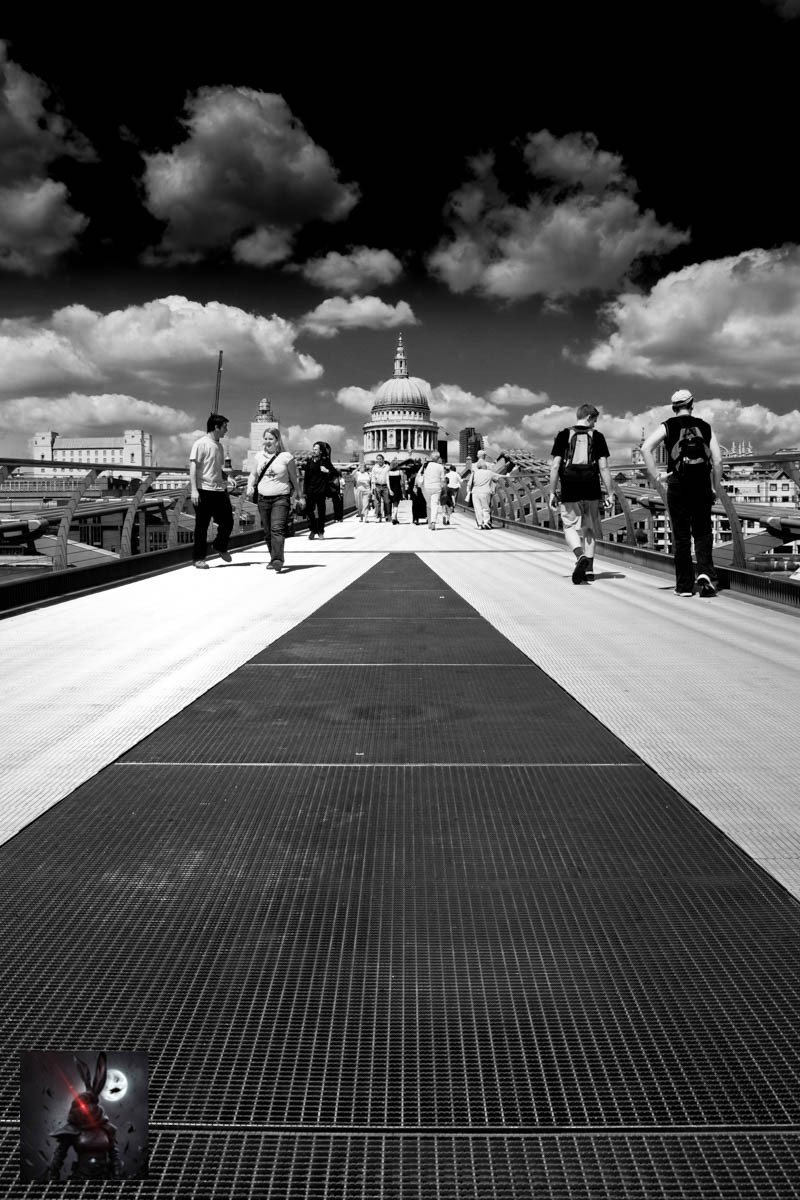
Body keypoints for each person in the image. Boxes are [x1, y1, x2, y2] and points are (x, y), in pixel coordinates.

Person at [641, 388, 723, 597]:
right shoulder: (704, 426)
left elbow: (646, 448)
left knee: (681, 535)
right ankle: (705, 573)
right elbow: (718, 460)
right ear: (692, 404)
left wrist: (656, 475)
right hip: (702, 484)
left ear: (673, 407)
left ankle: (684, 586)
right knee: (703, 532)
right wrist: (714, 486)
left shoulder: (668, 425)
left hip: (677, 484)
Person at [548, 404, 615, 583]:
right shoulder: (598, 436)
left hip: (570, 486)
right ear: (590, 418)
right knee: (589, 528)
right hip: (591, 487)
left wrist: (552, 492)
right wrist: (610, 493)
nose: (595, 424)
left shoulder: (563, 435)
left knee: (570, 527)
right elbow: (604, 467)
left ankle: (579, 556)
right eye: (595, 420)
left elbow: (555, 466)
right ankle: (590, 570)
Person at [246, 425, 298, 574]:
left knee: (277, 529)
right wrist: (250, 486)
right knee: (268, 531)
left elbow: (294, 478)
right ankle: (273, 557)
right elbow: (253, 475)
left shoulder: (286, 457)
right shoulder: (259, 456)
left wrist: (299, 496)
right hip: (263, 499)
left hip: (281, 498)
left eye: (270, 439)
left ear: (277, 440)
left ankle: (277, 559)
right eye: (266, 438)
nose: (267, 441)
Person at [189, 413, 234, 569]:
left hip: (219, 490)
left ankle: (220, 546)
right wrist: (194, 490)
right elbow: (193, 467)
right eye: (224, 427)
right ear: (216, 427)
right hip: (203, 490)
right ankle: (198, 558)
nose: (226, 430)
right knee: (202, 526)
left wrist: (227, 478)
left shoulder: (219, 446)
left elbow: (216, 468)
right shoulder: (200, 444)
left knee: (228, 521)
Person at [466, 454, 514, 530]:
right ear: (485, 466)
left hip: (475, 492)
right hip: (485, 492)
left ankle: (480, 524)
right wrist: (508, 475)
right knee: (486, 508)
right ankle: (486, 523)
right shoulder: (489, 473)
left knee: (477, 508)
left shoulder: (474, 473)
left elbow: (469, 484)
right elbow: (499, 476)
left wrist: (469, 491)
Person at [304, 441, 338, 540]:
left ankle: (321, 531)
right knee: (309, 511)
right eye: (313, 449)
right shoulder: (309, 461)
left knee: (321, 512)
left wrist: (327, 471)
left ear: (320, 451)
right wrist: (304, 492)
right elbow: (306, 478)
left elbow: (335, 473)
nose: (314, 451)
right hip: (310, 490)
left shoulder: (325, 461)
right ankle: (313, 528)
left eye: (316, 449)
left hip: (321, 490)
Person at [416, 453, 446, 530]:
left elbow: (419, 475)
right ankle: (433, 522)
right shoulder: (440, 467)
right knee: (435, 504)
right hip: (436, 487)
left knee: (429, 505)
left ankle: (429, 522)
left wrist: (416, 485)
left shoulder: (425, 465)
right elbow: (442, 479)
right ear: (438, 458)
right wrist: (442, 487)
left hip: (426, 487)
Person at [370, 454, 391, 521]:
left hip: (385, 486)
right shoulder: (374, 467)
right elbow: (372, 478)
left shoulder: (387, 467)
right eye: (378, 459)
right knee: (377, 502)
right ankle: (379, 516)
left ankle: (388, 515)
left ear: (383, 459)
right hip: (377, 486)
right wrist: (372, 488)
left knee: (387, 501)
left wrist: (390, 488)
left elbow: (388, 477)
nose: (379, 460)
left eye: (380, 459)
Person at [387, 457, 406, 524]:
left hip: (390, 489)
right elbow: (402, 483)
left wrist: (389, 489)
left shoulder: (388, 472)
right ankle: (394, 517)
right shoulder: (400, 472)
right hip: (397, 489)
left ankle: (395, 518)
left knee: (392, 503)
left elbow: (387, 482)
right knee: (396, 504)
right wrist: (404, 492)